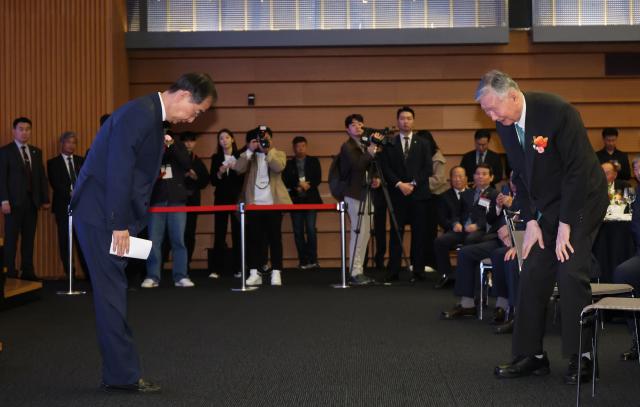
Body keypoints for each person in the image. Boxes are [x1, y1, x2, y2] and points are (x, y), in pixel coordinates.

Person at [70, 72, 217, 392]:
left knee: (117, 288)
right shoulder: (140, 115)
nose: (194, 117)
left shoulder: (149, 116)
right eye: (197, 110)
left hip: (108, 217)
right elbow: (118, 172)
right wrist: (119, 224)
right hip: (103, 219)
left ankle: (118, 372)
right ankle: (121, 376)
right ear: (182, 95)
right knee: (111, 297)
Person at [476, 70, 608, 385]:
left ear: (511, 94)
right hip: (548, 206)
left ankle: (584, 357)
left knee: (570, 268)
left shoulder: (557, 111)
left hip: (584, 198)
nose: (491, 117)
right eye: (487, 113)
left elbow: (576, 171)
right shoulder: (505, 124)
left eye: (493, 109)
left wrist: (565, 224)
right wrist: (532, 219)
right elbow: (520, 175)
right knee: (533, 268)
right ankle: (531, 355)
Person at [378, 106, 433, 283]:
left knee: (419, 233)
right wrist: (400, 184)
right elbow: (385, 168)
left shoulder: (423, 143)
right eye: (402, 118)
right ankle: (393, 269)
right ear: (397, 121)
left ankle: (418, 270)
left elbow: (427, 168)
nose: (405, 121)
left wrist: (413, 184)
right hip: (397, 194)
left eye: (409, 118)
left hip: (419, 195)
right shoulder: (390, 143)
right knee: (396, 232)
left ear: (413, 121)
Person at [235, 126, 291, 286]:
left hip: (273, 205)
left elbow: (278, 167)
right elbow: (238, 169)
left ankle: (276, 272)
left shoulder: (278, 154)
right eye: (259, 139)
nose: (262, 142)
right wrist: (249, 150)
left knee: (275, 239)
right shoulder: (249, 156)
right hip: (253, 205)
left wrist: (268, 150)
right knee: (253, 240)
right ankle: (254, 272)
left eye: (266, 139)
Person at [141, 129, 195, 289]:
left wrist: (171, 145)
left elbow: (187, 163)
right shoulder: (150, 146)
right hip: (156, 200)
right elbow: (147, 166)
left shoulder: (178, 146)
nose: (163, 133)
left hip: (176, 200)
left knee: (178, 240)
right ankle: (152, 276)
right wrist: (160, 147)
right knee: (154, 241)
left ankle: (181, 276)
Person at [0, 117, 50, 281]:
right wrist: (4, 200)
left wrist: (44, 198)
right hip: (12, 204)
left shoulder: (36, 151)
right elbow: (2, 178)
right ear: (14, 131)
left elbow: (41, 177)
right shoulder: (5, 151)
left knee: (29, 239)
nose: (24, 132)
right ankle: (10, 272)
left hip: (32, 203)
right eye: (21, 129)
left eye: (27, 129)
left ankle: (28, 271)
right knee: (11, 239)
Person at [338, 114, 379, 285]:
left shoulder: (363, 144)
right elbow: (357, 167)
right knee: (358, 231)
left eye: (360, 124)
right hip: (354, 193)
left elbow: (369, 167)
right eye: (353, 125)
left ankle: (359, 269)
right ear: (347, 129)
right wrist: (370, 152)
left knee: (366, 231)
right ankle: (354, 271)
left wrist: (375, 177)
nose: (358, 127)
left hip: (366, 191)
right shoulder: (347, 147)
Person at [47, 131, 89, 281]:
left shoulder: (81, 160)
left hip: (82, 208)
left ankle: (87, 273)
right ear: (62, 143)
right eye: (68, 142)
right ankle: (69, 273)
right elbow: (55, 184)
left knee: (83, 240)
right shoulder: (52, 163)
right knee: (65, 240)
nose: (71, 145)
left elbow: (87, 181)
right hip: (63, 206)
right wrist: (71, 193)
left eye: (74, 143)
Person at [612, 155, 640, 361]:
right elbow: (635, 227)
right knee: (623, 272)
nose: (639, 172)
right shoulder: (637, 192)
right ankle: (637, 338)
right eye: (636, 169)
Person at [283, 136, 322, 270]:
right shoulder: (288, 164)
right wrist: (297, 184)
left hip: (311, 200)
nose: (300, 149)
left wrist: (307, 185)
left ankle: (313, 259)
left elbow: (317, 178)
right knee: (298, 231)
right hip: (295, 201)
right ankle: (303, 260)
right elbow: (286, 179)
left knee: (311, 229)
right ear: (294, 148)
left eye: (303, 146)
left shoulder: (314, 161)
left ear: (306, 146)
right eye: (298, 146)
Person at [210, 128, 243, 278]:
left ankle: (238, 268)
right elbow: (213, 181)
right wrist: (220, 172)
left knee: (238, 233)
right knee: (220, 233)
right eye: (221, 138)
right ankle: (216, 269)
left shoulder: (239, 156)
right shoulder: (216, 157)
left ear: (233, 139)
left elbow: (243, 179)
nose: (224, 140)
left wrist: (235, 168)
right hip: (221, 199)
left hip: (237, 199)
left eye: (227, 137)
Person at [418, 130, 448, 272]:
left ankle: (430, 262)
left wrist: (417, 183)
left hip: (435, 198)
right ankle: (419, 262)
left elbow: (439, 180)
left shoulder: (437, 157)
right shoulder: (419, 156)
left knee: (430, 231)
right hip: (421, 197)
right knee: (420, 231)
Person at [180, 132, 209, 272]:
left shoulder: (197, 161)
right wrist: (183, 176)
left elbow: (205, 182)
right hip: (176, 203)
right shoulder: (175, 160)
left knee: (189, 234)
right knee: (173, 234)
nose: (188, 144)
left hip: (192, 203)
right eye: (185, 141)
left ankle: (187, 263)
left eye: (191, 141)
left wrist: (195, 176)